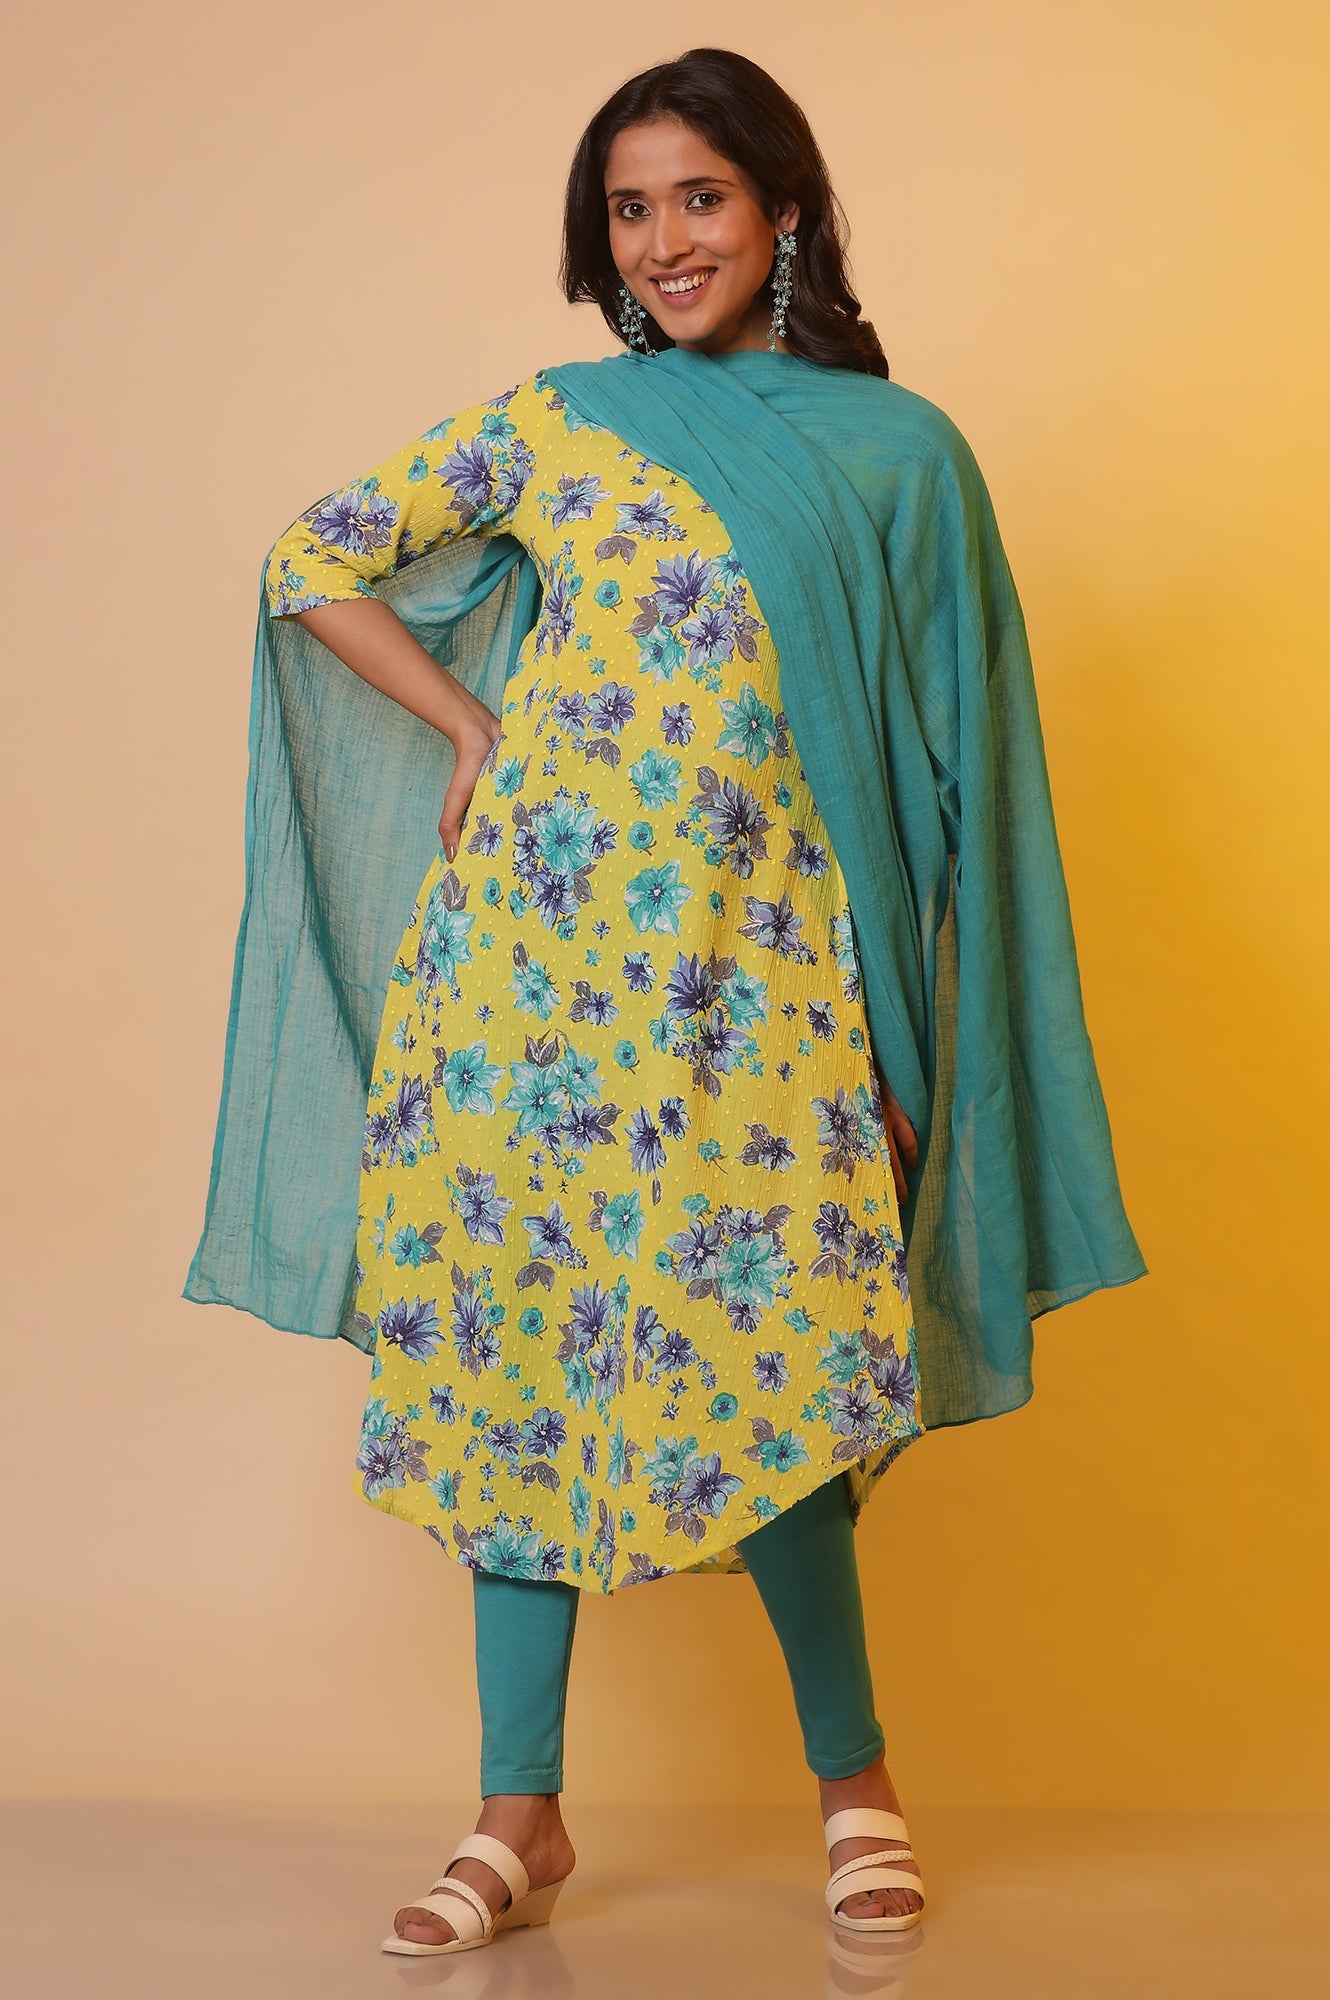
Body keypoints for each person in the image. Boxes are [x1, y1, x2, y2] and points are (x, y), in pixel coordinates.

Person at [184, 46, 1146, 1958]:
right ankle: (516, 1813)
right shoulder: (556, 424)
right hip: (521, 999)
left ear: (783, 209)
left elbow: (954, 774)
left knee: (776, 1373)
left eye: (699, 196)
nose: (663, 240)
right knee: (509, 1379)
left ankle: (855, 1786)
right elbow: (311, 558)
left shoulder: (899, 453)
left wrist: (905, 1043)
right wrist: (472, 727)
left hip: (759, 1001)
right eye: (629, 209)